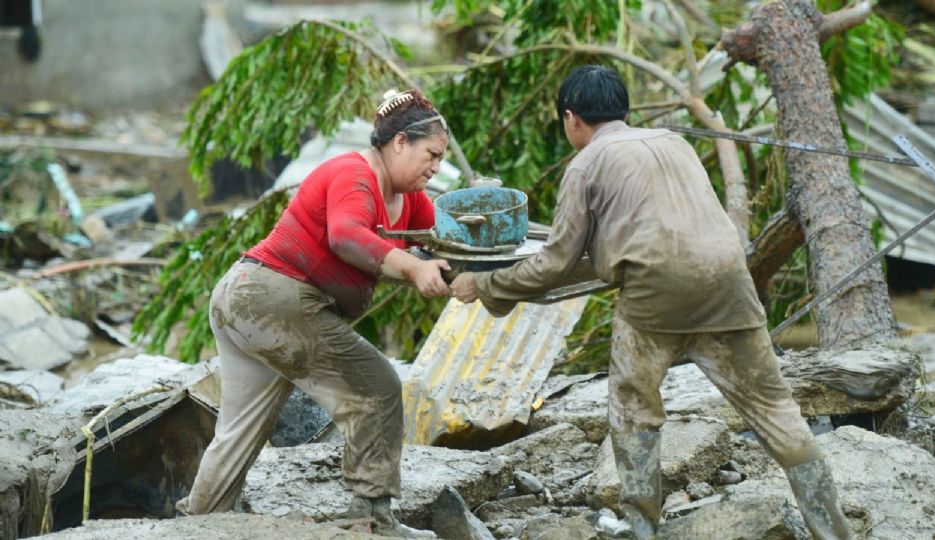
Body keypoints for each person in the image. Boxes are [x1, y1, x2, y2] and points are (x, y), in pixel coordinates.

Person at [450, 66, 853, 540]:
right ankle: (834, 532)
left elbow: (556, 263)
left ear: (571, 119)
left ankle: (642, 525)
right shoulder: (675, 143)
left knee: (632, 403)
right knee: (775, 410)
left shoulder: (584, 165)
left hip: (655, 295)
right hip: (729, 283)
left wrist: (485, 286)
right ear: (625, 111)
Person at [176, 89, 450, 538]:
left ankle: (200, 523)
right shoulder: (353, 173)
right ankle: (373, 519)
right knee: (377, 388)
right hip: (268, 297)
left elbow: (445, 239)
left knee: (239, 431)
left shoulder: (411, 200)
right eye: (431, 154)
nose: (436, 166)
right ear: (399, 142)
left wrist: (479, 269)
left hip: (244, 300)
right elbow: (346, 235)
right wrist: (415, 267)